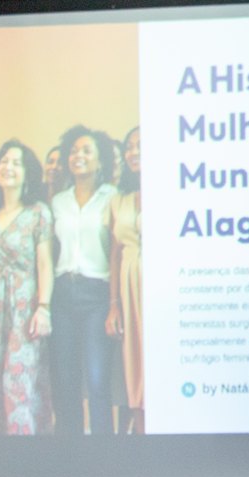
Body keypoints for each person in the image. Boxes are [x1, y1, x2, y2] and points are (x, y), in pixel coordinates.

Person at [49, 125, 119, 435]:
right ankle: (72, 452)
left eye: (87, 151)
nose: (79, 155)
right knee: (66, 380)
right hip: (63, 293)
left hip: (97, 296)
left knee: (96, 378)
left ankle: (103, 453)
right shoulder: (58, 201)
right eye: (74, 151)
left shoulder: (112, 198)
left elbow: (115, 253)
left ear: (100, 160)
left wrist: (114, 303)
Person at [0, 140, 54, 435]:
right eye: (3, 161)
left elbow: (45, 263)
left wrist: (44, 308)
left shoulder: (38, 213)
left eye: (16, 163)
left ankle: (24, 450)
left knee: (19, 382)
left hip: (24, 310)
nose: (8, 167)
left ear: (27, 173)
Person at [107, 127, 144, 433]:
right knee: (134, 366)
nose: (134, 152)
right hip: (128, 289)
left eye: (141, 145)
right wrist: (114, 305)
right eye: (129, 146)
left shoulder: (177, 192)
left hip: (159, 291)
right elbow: (115, 254)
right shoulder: (119, 201)